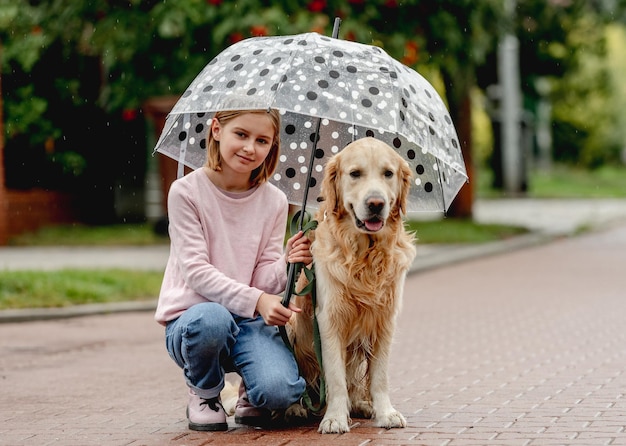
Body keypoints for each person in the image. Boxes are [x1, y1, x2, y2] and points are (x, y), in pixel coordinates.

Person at [155, 108, 312, 431]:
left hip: (247, 323)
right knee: (212, 318)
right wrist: (257, 300)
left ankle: (250, 392)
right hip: (193, 318)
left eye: (262, 140)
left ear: (273, 146)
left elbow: (263, 276)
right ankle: (205, 391)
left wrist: (287, 263)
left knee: (280, 392)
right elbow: (196, 272)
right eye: (240, 134)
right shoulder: (185, 192)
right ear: (216, 130)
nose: (250, 147)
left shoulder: (275, 201)